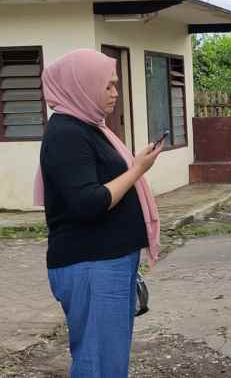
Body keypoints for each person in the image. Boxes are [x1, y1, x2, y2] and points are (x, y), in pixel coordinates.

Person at [33, 49, 163, 377]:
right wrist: (137, 170)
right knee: (98, 362)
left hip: (105, 264)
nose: (115, 93)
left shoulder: (89, 128)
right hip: (91, 266)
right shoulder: (66, 134)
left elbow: (98, 180)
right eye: (108, 86)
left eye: (116, 85)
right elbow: (88, 202)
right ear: (82, 85)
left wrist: (133, 163)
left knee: (109, 360)